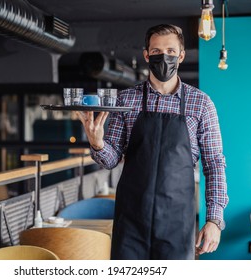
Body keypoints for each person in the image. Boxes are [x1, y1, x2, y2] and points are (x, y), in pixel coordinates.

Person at [76, 24, 229, 260]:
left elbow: (215, 164)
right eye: (156, 52)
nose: (164, 57)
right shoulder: (126, 100)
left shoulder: (201, 104)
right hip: (131, 221)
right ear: (146, 55)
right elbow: (111, 159)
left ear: (181, 55)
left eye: (170, 50)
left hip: (177, 221)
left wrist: (214, 220)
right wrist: (97, 143)